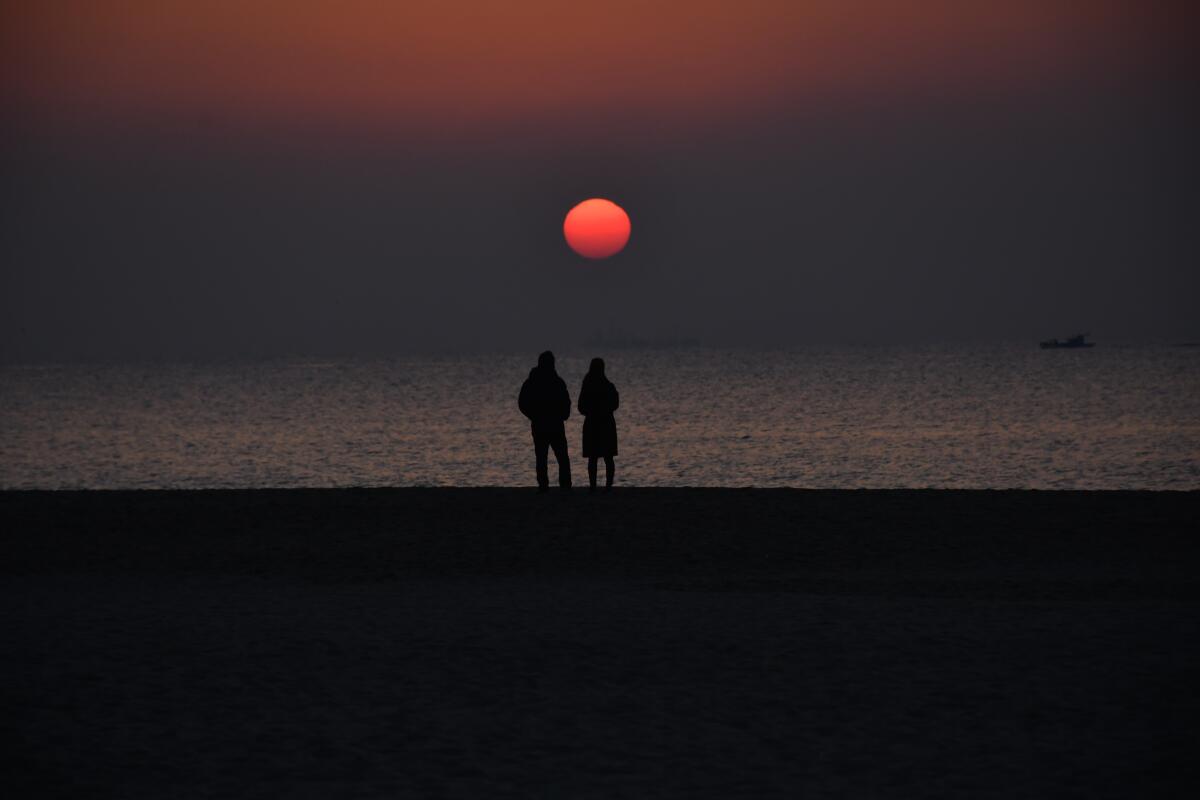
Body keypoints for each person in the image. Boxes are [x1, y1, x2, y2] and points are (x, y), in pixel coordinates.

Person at [518, 351, 572, 492]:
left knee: (543, 457)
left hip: (542, 424)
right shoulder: (555, 381)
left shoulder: (533, 381)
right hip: (553, 424)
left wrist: (533, 415)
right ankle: (562, 485)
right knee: (560, 457)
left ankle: (545, 486)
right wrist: (563, 415)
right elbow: (566, 401)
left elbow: (522, 402)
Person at [577, 357, 619, 491]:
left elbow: (580, 406)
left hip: (592, 424)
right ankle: (608, 485)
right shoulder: (609, 386)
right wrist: (604, 410)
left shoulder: (587, 386)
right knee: (608, 457)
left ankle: (593, 485)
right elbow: (615, 404)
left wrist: (591, 412)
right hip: (606, 424)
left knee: (593, 457)